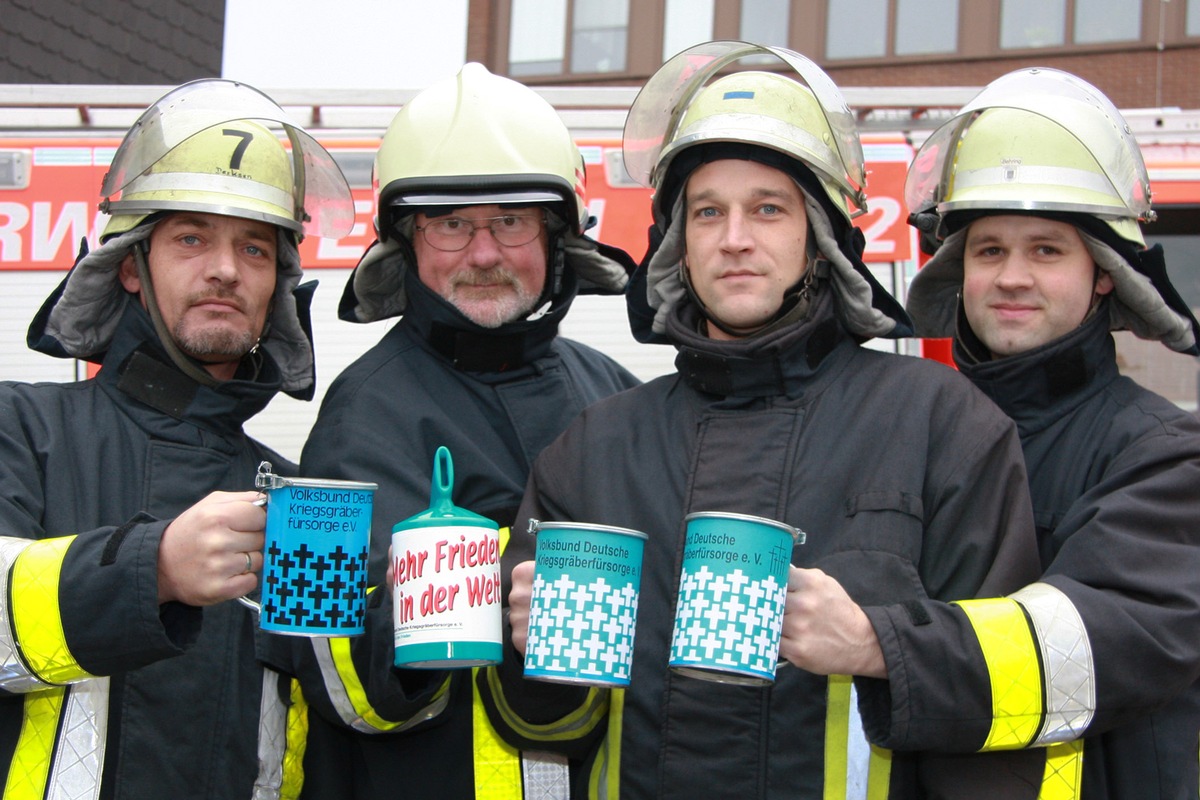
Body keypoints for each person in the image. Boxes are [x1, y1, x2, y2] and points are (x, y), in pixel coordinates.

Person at [476, 41, 1041, 799]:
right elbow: (539, 735)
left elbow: (1003, 714)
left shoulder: (943, 428)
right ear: (679, 244)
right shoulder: (594, 450)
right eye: (709, 212)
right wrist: (522, 655)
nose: (734, 238)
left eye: (768, 209)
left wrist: (881, 647)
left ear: (821, 235)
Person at [781, 67, 1200, 799]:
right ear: (958, 273)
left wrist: (882, 643)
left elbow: (1104, 640)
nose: (1011, 277)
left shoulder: (1161, 454)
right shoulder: (895, 427)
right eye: (988, 250)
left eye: (1046, 250)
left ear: (1104, 274)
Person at [264, 63, 640, 799]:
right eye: (451, 224)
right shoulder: (351, 412)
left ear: (558, 235)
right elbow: (324, 668)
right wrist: (481, 581)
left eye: (511, 220)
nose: (484, 253)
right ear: (407, 241)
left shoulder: (617, 397)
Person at [0, 79, 354, 798]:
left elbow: (336, 712)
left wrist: (402, 635)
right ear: (131, 268)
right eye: (192, 237)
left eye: (254, 249)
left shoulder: (296, 498)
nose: (225, 268)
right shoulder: (21, 429)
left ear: (276, 289)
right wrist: (151, 569)